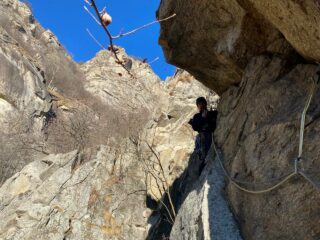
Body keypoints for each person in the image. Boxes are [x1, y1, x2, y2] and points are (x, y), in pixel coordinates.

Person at [188, 97, 218, 172]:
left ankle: (205, 166)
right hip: (202, 137)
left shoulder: (212, 113)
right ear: (197, 106)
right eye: (199, 104)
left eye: (202, 103)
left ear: (205, 103)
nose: (201, 105)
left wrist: (207, 117)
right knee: (202, 154)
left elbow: (214, 124)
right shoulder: (197, 116)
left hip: (210, 135)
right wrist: (202, 118)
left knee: (208, 153)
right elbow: (195, 127)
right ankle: (202, 168)